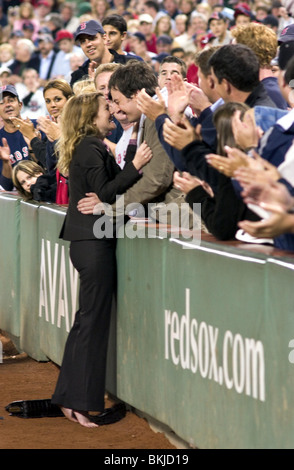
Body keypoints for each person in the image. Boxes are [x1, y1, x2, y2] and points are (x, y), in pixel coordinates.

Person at [50, 92, 152, 427]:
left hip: (90, 241)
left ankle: (69, 398)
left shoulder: (91, 146)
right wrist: (135, 165)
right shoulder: (90, 146)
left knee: (87, 322)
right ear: (89, 117)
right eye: (104, 108)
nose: (111, 112)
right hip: (93, 243)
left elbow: (102, 196)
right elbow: (104, 194)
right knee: (91, 323)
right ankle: (78, 403)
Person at [70, 19, 141, 87]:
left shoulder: (131, 64)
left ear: (104, 38)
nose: (88, 44)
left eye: (92, 38)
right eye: (83, 41)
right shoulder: (78, 77)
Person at [0, 84, 40, 191]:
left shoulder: (39, 126)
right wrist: (6, 162)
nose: (7, 105)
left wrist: (35, 144)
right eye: (2, 102)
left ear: (20, 105)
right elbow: (6, 187)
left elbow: (48, 169)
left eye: (11, 100)